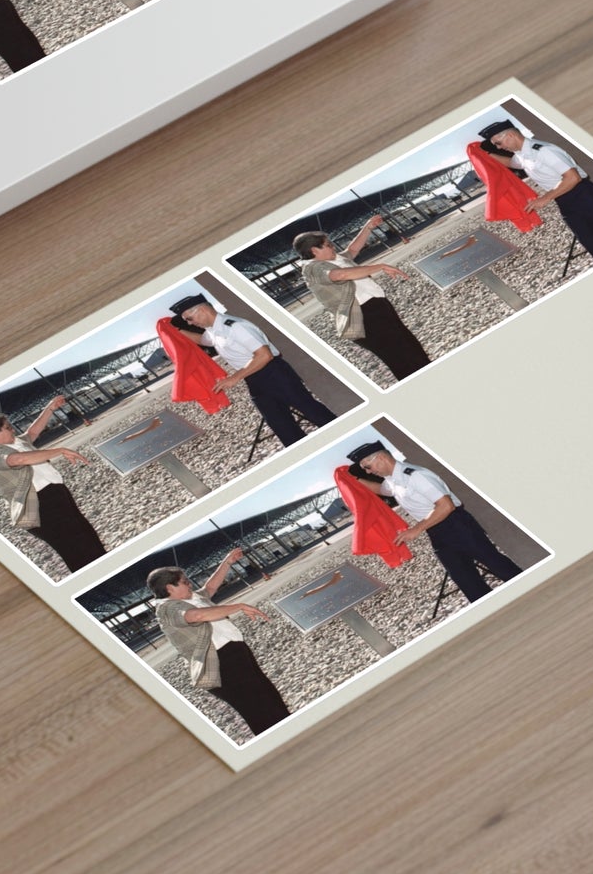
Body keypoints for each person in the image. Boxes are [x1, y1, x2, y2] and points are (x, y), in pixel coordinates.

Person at [343, 441, 521, 603]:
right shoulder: (393, 480)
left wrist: (416, 530)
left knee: (496, 563)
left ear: (381, 457)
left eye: (368, 466)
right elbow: (381, 490)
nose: (368, 471)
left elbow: (446, 506)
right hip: (436, 531)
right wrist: (352, 481)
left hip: (456, 524)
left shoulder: (416, 475)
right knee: (464, 579)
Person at [147, 550, 290, 735]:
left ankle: (290, 729)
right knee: (258, 709)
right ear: (169, 588)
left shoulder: (191, 598)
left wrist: (227, 562)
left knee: (268, 696)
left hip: (234, 654)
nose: (189, 584)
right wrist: (239, 606)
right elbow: (196, 616)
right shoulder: (167, 609)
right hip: (220, 664)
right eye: (184, 582)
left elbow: (210, 588)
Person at [168, 293, 335, 448]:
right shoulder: (213, 330)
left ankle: (338, 433)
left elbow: (264, 355)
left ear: (202, 309)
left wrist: (234, 378)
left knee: (310, 409)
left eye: (189, 318)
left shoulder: (235, 327)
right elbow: (203, 341)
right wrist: (174, 332)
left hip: (274, 373)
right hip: (254, 379)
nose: (190, 323)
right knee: (280, 424)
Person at [476, 120, 593, 264]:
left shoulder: (543, 150)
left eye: (498, 143)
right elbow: (511, 164)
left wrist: (545, 199)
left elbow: (573, 178)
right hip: (564, 200)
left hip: (583, 194)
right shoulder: (522, 154)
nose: (500, 147)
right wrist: (484, 155)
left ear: (510, 136)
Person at [0, 400, 106, 571]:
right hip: (39, 506)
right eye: (7, 428)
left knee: (88, 538)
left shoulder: (13, 443)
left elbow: (33, 432)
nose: (12, 430)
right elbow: (18, 460)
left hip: (54, 496)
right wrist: (60, 450)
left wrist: (49, 408)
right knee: (77, 550)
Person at [292, 216, 432, 380]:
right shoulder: (312, 268)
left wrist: (368, 227)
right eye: (328, 245)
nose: (333, 248)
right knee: (401, 358)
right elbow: (341, 275)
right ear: (314, 251)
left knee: (410, 346)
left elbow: (352, 250)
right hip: (364, 318)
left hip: (377, 308)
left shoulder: (333, 258)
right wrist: (380, 266)